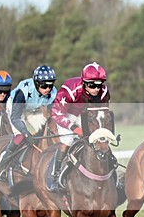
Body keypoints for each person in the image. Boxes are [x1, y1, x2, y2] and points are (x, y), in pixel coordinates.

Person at [47, 62, 110, 192]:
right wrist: (74, 128)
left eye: (99, 84)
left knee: (102, 140)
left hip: (87, 116)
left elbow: (103, 114)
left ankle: (112, 170)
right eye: (92, 85)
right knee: (67, 141)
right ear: (84, 83)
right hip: (67, 114)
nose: (97, 88)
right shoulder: (70, 89)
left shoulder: (104, 93)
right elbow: (57, 113)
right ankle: (55, 174)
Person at [0, 65, 58, 180]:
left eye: (51, 84)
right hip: (17, 109)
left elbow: (53, 115)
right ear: (37, 83)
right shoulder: (22, 92)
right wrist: (26, 133)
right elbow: (15, 117)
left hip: (34, 109)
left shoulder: (53, 92)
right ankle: (3, 164)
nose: (48, 88)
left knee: (46, 130)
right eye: (44, 85)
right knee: (20, 136)